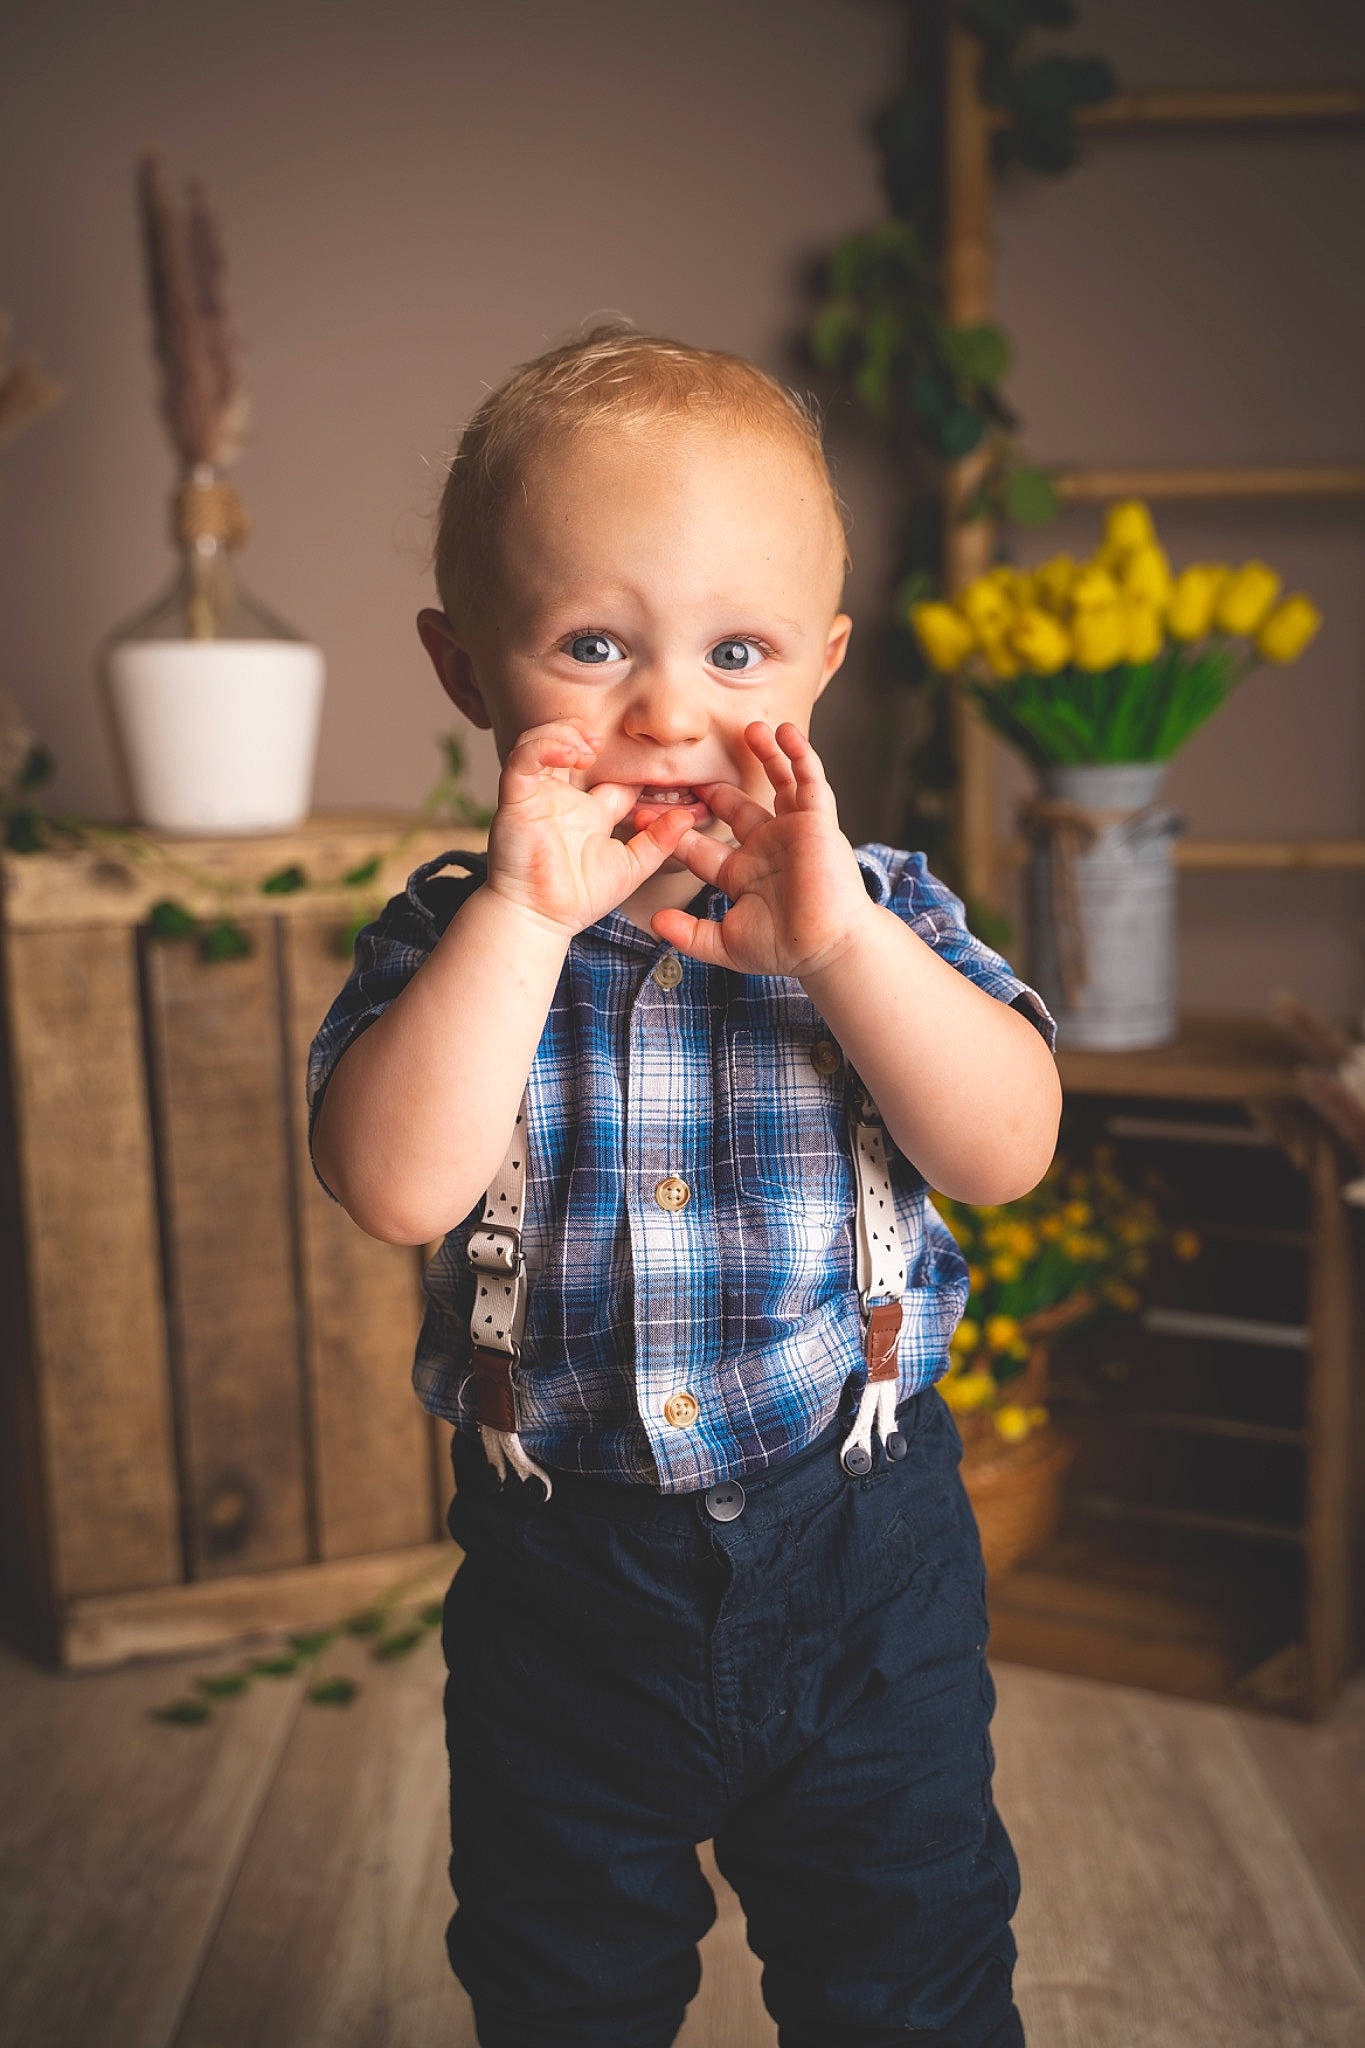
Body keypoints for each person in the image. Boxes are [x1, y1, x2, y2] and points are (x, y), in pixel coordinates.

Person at [306, 322, 1062, 2048]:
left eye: (737, 650)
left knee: (911, 1968)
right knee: (561, 1978)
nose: (667, 711)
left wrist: (841, 951)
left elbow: (1004, 1150)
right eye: (590, 644)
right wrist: (514, 920)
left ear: (822, 665)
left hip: (861, 1557)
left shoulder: (873, 909)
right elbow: (393, 1187)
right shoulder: (453, 940)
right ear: (464, 669)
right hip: (564, 1589)